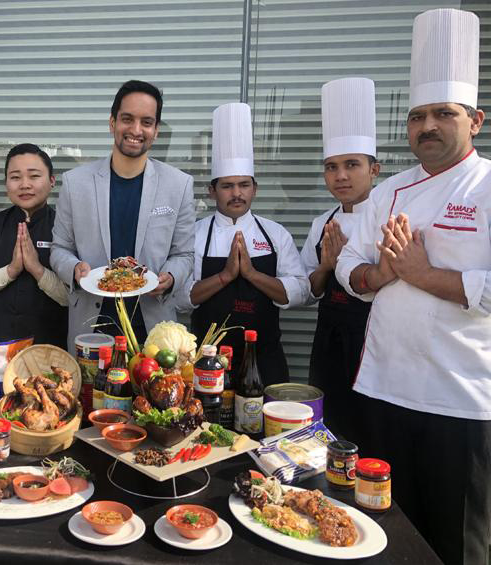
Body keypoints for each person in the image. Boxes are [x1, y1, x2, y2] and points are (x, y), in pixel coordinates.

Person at [335, 9, 490, 564]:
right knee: (383, 533)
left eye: (444, 113)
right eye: (417, 116)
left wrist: (425, 275)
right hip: (384, 388)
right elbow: (348, 263)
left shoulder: (487, 185)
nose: (428, 126)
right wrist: (379, 275)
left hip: (461, 400)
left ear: (475, 120)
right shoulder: (389, 192)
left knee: (455, 543)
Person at [51, 79, 195, 347]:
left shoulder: (179, 185)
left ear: (156, 130)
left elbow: (184, 254)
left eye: (146, 122)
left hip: (153, 329)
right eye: (127, 119)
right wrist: (74, 269)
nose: (136, 130)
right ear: (112, 123)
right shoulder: (75, 183)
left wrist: (171, 277)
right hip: (91, 326)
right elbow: (60, 248)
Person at [179, 103, 308, 385]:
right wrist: (225, 276)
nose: (236, 193)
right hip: (207, 363)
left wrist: (251, 274)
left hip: (265, 360)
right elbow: (180, 299)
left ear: (255, 189)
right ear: (212, 191)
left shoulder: (275, 234)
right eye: (227, 186)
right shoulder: (194, 235)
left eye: (244, 185)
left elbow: (301, 291)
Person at [299, 77, 380, 441]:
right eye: (331, 167)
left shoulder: (388, 218)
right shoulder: (322, 223)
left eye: (351, 164)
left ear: (374, 169)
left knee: (368, 428)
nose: (341, 175)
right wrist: (326, 267)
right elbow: (310, 290)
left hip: (371, 340)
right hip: (327, 340)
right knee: (327, 427)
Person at [0, 143, 68, 420]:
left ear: (51, 181)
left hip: (50, 353)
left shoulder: (65, 227)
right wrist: (10, 271)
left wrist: (37, 270)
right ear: (6, 183)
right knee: (0, 420)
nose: (25, 184)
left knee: (48, 422)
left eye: (34, 176)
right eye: (15, 177)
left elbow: (72, 296)